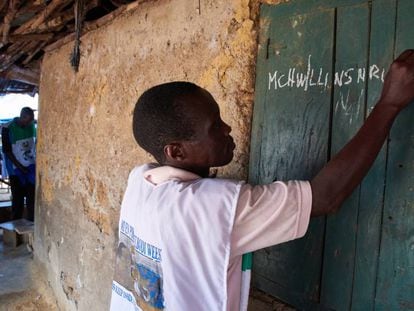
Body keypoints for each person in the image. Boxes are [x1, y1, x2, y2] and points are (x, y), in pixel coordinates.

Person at [110, 50, 414, 311]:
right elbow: (325, 197)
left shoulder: (141, 181)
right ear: (176, 151)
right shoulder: (210, 207)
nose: (228, 128)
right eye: (214, 126)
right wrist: (389, 104)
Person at [1, 107, 36, 222]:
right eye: (29, 120)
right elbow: (7, 151)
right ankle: (15, 231)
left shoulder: (31, 126)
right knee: (18, 201)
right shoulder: (7, 128)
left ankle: (31, 227)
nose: (31, 122)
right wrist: (20, 167)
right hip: (15, 170)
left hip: (30, 168)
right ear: (23, 116)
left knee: (32, 200)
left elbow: (33, 145)